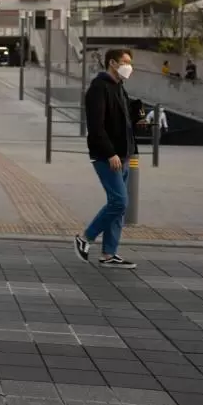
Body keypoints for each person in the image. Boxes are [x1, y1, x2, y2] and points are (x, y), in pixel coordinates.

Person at [75, 48, 145, 269]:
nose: (129, 66)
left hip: (123, 154)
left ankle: (109, 254)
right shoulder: (99, 88)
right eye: (125, 62)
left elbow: (120, 120)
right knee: (119, 201)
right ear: (112, 63)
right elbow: (96, 127)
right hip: (108, 156)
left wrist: (137, 118)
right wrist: (110, 152)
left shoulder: (119, 88)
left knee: (119, 206)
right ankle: (85, 238)